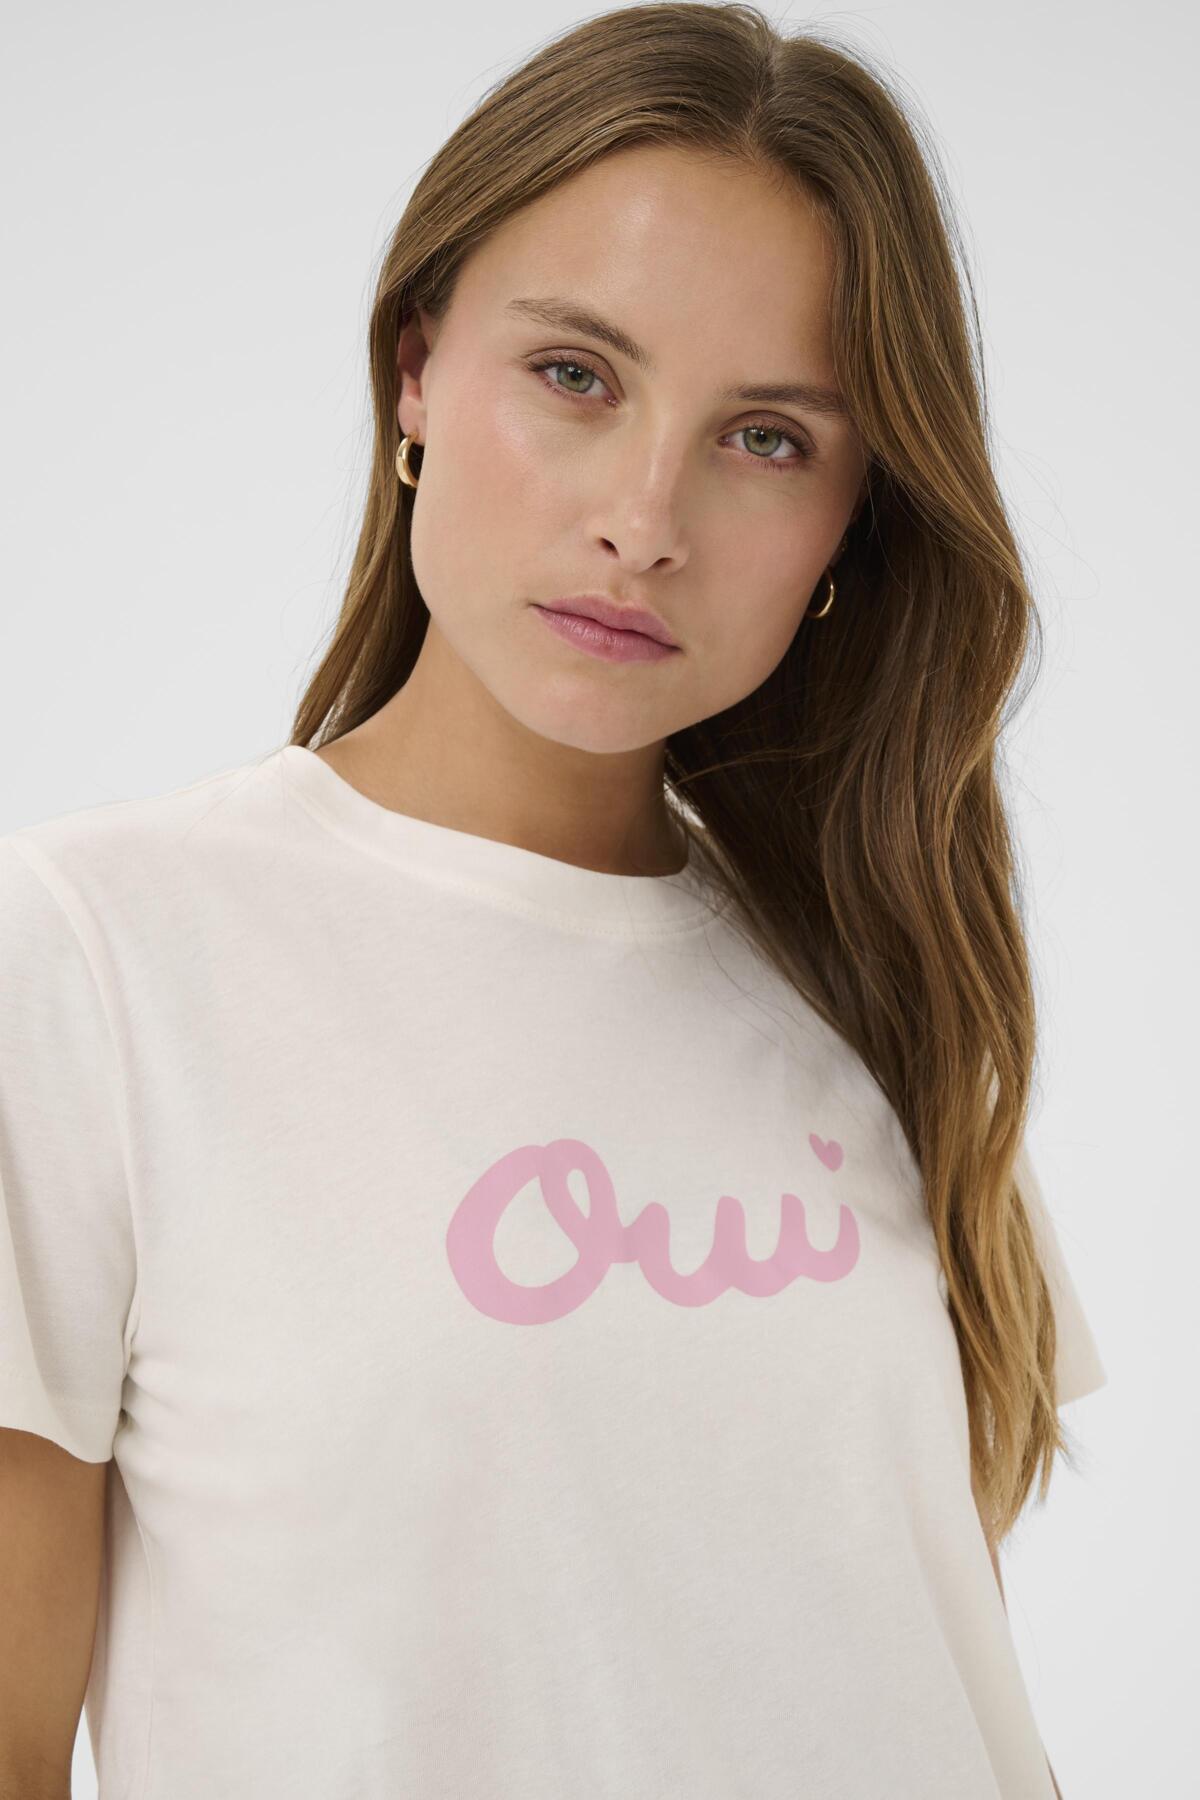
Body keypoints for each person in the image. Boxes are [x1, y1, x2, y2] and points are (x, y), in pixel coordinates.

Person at [0, 5, 1107, 1796]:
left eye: (768, 438)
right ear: (417, 373)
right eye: (578, 375)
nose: (645, 519)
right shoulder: (89, 956)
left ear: (854, 524)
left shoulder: (874, 974)